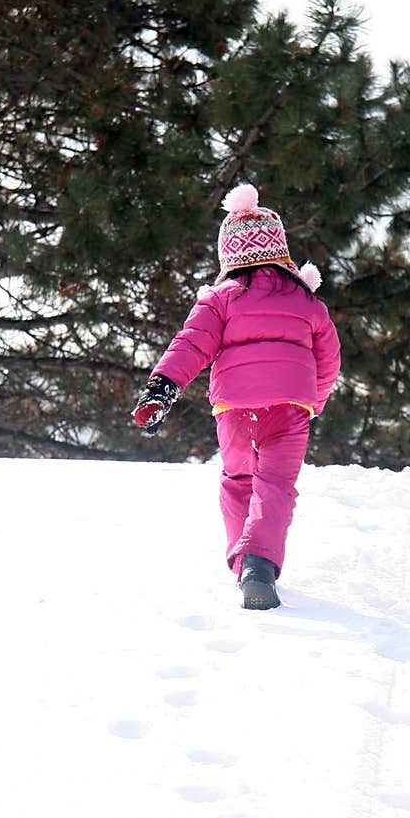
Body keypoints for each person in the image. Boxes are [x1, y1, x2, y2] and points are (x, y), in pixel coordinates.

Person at [132, 183, 341, 610]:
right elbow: (329, 359)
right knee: (276, 486)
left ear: (229, 255)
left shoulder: (219, 299)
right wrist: (312, 402)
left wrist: (163, 386)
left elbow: (189, 344)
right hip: (289, 408)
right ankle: (259, 564)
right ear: (279, 252)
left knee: (238, 480)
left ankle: (243, 559)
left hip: (234, 408)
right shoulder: (308, 301)